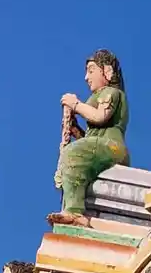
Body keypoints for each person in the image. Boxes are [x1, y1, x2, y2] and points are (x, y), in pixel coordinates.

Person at [52, 49, 129, 224]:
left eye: (91, 70)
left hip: (113, 148)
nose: (87, 77)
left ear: (107, 71)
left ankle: (75, 212)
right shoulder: (98, 95)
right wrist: (75, 129)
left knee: (74, 154)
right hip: (101, 146)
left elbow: (100, 117)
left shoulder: (111, 92)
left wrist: (76, 104)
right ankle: (70, 207)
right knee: (72, 156)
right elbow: (91, 138)